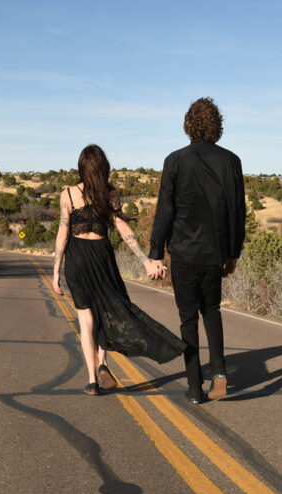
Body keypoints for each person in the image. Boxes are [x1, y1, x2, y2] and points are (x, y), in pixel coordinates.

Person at [53, 144, 187, 395]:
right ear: (104, 167)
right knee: (109, 310)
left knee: (87, 319)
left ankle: (92, 380)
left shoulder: (68, 194)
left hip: (77, 259)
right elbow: (125, 231)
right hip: (102, 257)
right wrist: (145, 259)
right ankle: (103, 364)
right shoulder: (110, 195)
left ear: (82, 167)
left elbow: (62, 234)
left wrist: (56, 272)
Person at [149, 98, 246, 404]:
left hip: (184, 253)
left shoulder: (175, 161)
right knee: (212, 310)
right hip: (215, 252)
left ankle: (193, 387)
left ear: (188, 124)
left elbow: (164, 211)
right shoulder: (231, 161)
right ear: (217, 125)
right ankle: (219, 372)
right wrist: (232, 253)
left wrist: (155, 252)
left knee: (187, 319)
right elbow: (237, 212)